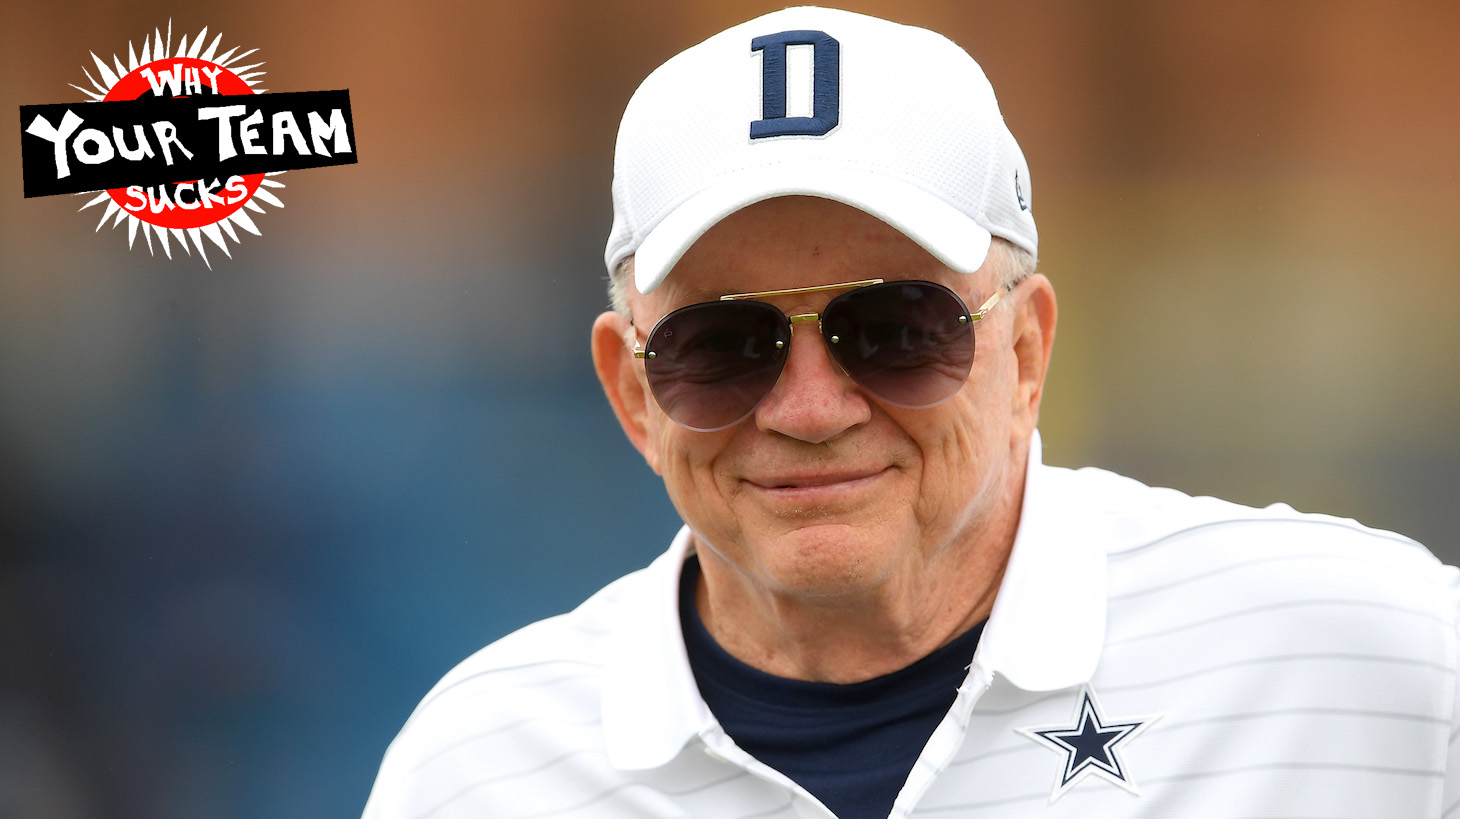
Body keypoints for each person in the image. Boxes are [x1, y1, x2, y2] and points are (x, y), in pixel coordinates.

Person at [362, 7, 1460, 818]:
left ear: (1023, 352)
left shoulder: (1357, 654)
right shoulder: (478, 770)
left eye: (891, 328)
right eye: (721, 346)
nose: (807, 407)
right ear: (630, 392)